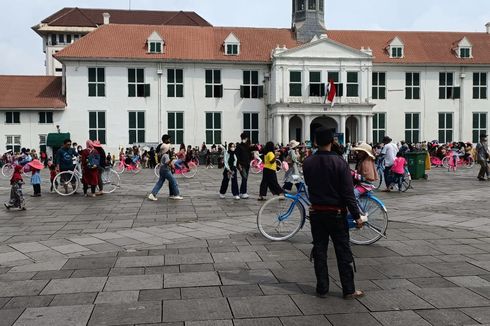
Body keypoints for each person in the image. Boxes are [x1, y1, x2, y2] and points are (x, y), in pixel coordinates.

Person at [302, 127, 364, 300]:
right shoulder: (339, 162)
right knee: (342, 251)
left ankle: (322, 288)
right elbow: (347, 193)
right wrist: (357, 216)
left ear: (315, 142)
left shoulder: (308, 162)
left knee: (320, 250)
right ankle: (348, 289)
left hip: (317, 213)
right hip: (336, 213)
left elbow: (309, 184)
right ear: (331, 141)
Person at [235, 133, 252, 199]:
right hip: (241, 165)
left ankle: (242, 192)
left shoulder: (247, 146)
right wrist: (238, 165)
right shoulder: (239, 146)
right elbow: (237, 156)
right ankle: (244, 192)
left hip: (247, 164)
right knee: (244, 177)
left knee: (245, 178)